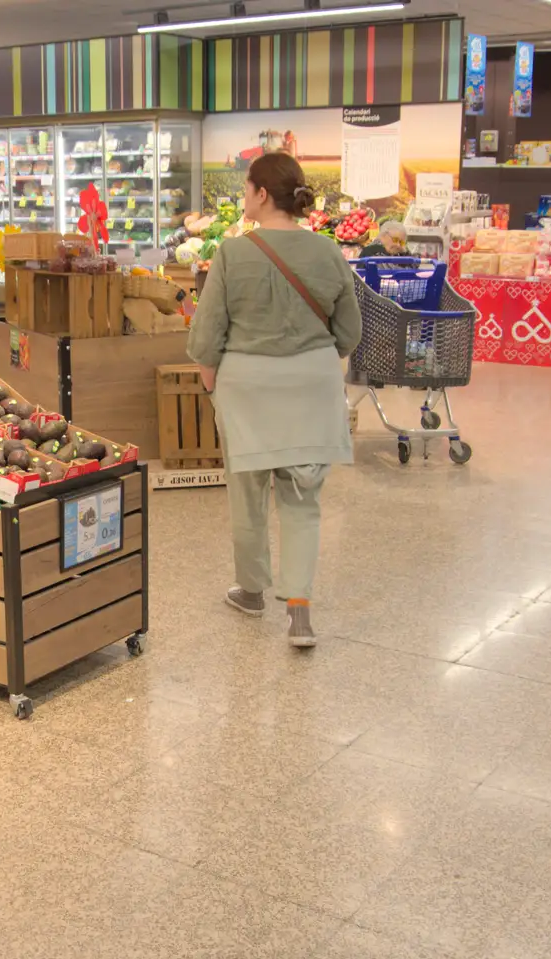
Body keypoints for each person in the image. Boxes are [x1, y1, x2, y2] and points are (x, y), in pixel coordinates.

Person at [187, 152, 363, 648]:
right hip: (311, 385)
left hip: (248, 386)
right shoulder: (330, 253)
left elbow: (207, 337)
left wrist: (210, 382)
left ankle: (251, 591)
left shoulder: (232, 253)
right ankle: (300, 609)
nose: (244, 197)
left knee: (248, 495)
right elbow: (349, 332)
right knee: (303, 498)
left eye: (246, 189)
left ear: (263, 194)